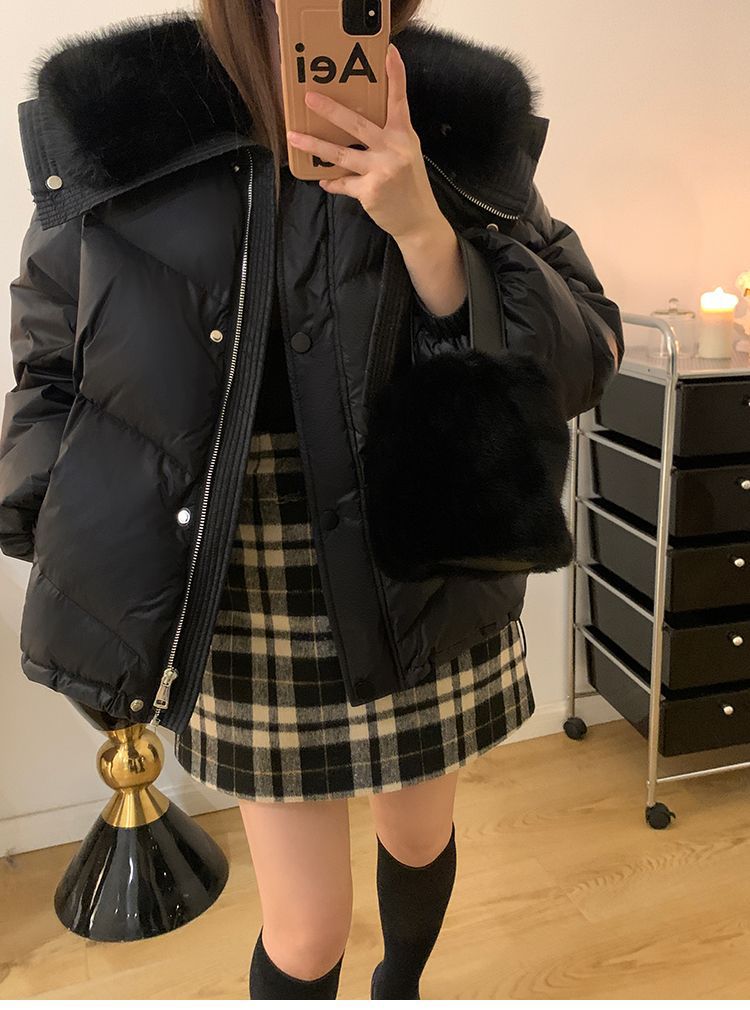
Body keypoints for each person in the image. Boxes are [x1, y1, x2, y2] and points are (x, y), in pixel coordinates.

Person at [0, 0, 623, 999]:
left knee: (418, 837)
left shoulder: (458, 113)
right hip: (240, 570)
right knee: (305, 930)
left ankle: (400, 987)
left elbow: (584, 352)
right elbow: (50, 356)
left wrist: (426, 229)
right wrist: (46, 520)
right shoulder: (123, 114)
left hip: (420, 548)